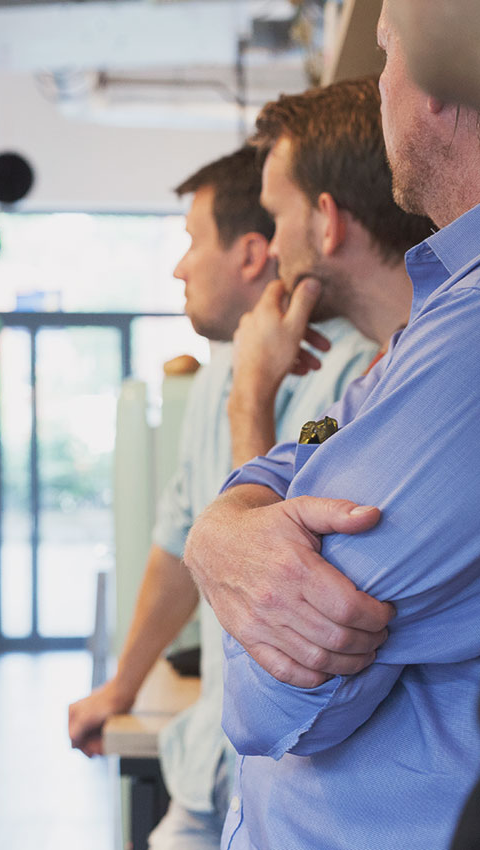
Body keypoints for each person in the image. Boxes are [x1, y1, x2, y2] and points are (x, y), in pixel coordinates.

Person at [184, 16, 480, 848]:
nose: (265, 246)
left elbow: (272, 699)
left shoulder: (465, 340)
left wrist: (228, 532)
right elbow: (284, 475)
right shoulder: (421, 336)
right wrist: (223, 532)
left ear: (438, 86)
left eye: (387, 53)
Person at [67, 146, 380, 849]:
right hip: (207, 765)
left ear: (249, 252)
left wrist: (254, 397)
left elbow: (283, 571)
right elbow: (179, 546)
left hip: (296, 774)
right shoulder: (219, 375)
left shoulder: (357, 371)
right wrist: (121, 688)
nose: (180, 268)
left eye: (189, 243)